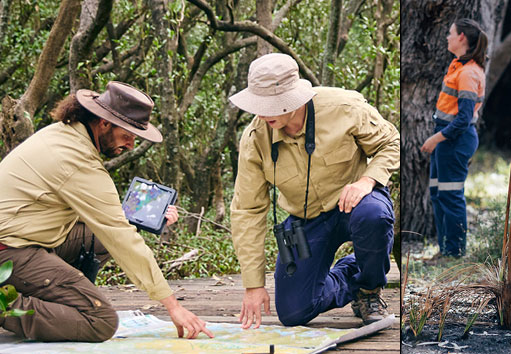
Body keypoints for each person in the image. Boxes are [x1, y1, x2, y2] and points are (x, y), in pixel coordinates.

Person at [0, 82, 212, 341]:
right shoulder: (75, 158)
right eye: (128, 135)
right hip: (9, 253)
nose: (132, 145)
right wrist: (173, 306)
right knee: (100, 321)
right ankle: (6, 305)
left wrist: (146, 218)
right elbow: (120, 235)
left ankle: (58, 296)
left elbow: (103, 219)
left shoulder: (64, 134)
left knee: (98, 239)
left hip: (26, 239)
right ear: (104, 123)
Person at [229, 53, 401, 327]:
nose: (261, 113)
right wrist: (253, 285)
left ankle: (369, 290)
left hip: (355, 204)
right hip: (305, 220)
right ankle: (353, 274)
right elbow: (247, 210)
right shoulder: (255, 138)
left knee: (374, 217)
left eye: (270, 105)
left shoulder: (343, 107)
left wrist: (366, 182)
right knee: (293, 312)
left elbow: (392, 142)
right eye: (257, 104)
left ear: (293, 99)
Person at [420, 19, 486, 259]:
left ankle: (455, 253)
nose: (447, 37)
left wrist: (436, 139)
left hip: (456, 140)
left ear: (461, 38)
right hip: (447, 138)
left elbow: (463, 119)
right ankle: (445, 249)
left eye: (450, 33)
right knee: (439, 194)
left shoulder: (469, 73)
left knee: (451, 194)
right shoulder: (458, 65)